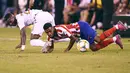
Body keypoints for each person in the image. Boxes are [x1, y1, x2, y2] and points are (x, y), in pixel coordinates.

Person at [43, 21, 128, 53]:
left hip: (81, 27)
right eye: (47, 33)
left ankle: (117, 26)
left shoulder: (60, 29)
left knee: (98, 39)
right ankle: (114, 39)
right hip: (79, 33)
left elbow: (72, 38)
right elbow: (51, 45)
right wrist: (48, 49)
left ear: (53, 27)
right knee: (94, 48)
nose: (49, 33)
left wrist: (68, 49)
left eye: (50, 31)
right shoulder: (50, 37)